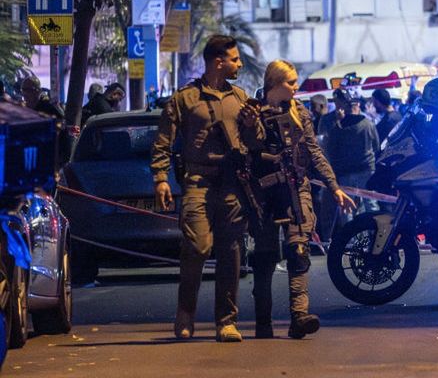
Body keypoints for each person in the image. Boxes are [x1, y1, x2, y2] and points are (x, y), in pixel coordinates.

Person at [151, 35, 263, 342]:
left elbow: (256, 144)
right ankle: (185, 313)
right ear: (219, 62)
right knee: (197, 246)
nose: (239, 64)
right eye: (235, 59)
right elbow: (163, 140)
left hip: (231, 186)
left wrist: (254, 125)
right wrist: (160, 178)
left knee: (231, 252)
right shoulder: (185, 99)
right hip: (198, 183)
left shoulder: (240, 97)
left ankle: (226, 322)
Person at [250, 60, 355, 339]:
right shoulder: (253, 112)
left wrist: (334, 186)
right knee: (264, 258)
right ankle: (263, 322)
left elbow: (314, 151)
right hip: (264, 193)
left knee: (299, 252)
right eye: (290, 82)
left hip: (296, 189)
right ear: (274, 83)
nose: (296, 88)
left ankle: (300, 316)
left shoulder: (300, 113)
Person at [318, 87, 379, 243]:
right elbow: (376, 145)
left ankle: (352, 241)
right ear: (356, 105)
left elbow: (330, 147)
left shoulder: (338, 127)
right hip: (366, 169)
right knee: (371, 204)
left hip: (345, 171)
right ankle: (377, 236)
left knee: (347, 208)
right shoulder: (367, 123)